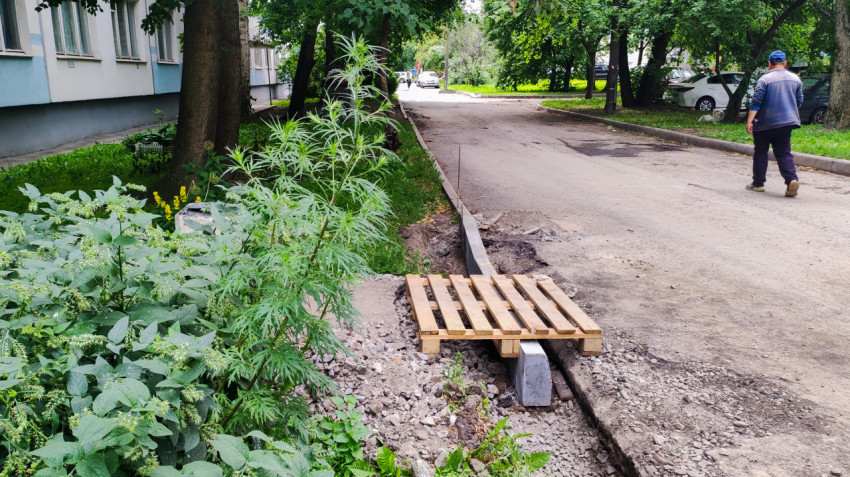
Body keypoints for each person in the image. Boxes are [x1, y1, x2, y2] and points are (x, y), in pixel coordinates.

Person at [745, 50, 804, 197]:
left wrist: (750, 120)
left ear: (769, 64)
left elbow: (756, 101)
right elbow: (799, 100)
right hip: (787, 122)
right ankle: (791, 179)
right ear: (785, 63)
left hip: (764, 122)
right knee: (784, 152)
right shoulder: (796, 79)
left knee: (761, 152)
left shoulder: (765, 79)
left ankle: (758, 183)